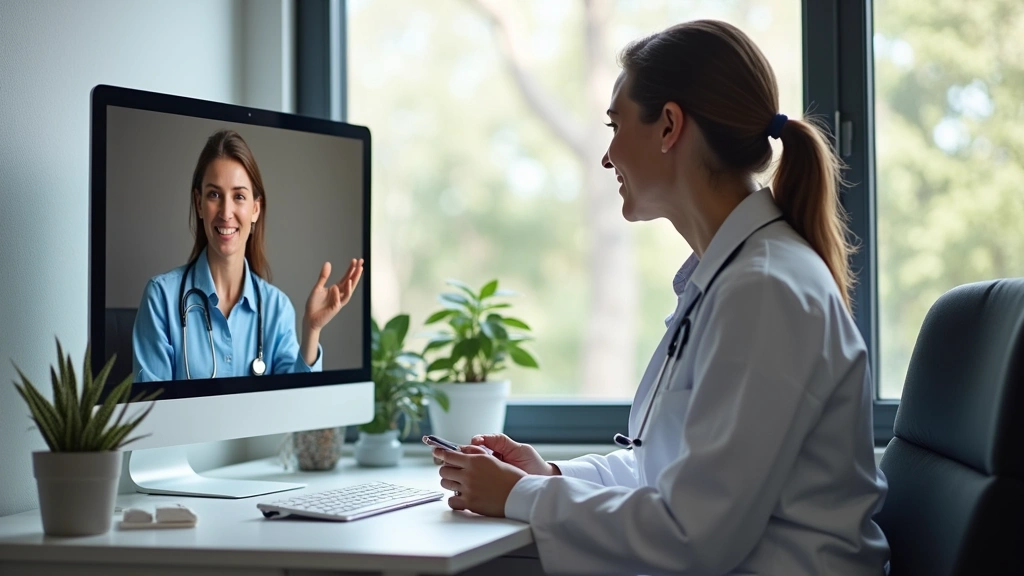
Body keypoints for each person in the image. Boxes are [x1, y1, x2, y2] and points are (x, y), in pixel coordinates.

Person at [433, 20, 890, 575]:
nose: (607, 156)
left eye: (615, 124)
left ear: (669, 125)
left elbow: (691, 533)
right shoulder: (731, 277)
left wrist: (517, 496)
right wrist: (547, 477)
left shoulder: (764, 291)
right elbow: (667, 470)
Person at [132, 129, 364, 382]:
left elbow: (294, 410)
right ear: (199, 204)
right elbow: (150, 413)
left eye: (239, 196)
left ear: (255, 209)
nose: (226, 211)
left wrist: (312, 330)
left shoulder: (278, 308)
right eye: (214, 195)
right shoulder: (161, 298)